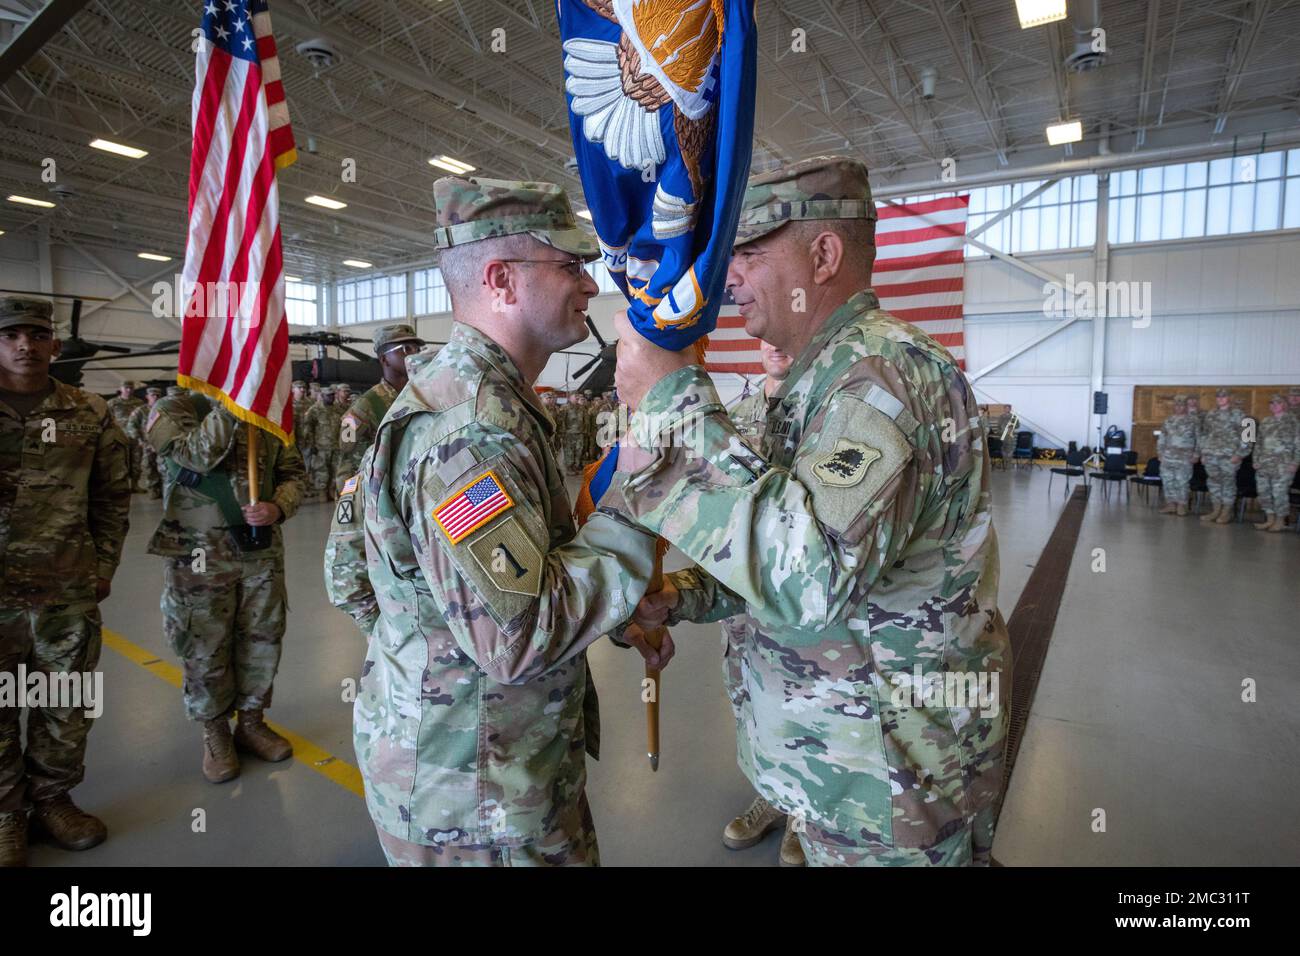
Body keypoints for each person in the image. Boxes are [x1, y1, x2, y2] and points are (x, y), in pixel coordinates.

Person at [615, 156, 1013, 867]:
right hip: (835, 765)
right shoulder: (815, 383)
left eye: (747, 252)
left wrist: (674, 402)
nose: (725, 275)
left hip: (889, 788)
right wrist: (678, 596)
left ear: (823, 254)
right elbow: (773, 543)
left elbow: (811, 579)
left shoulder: (882, 378)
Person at [353, 174, 667, 867]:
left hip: (482, 767)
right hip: (480, 803)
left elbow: (350, 570)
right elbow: (520, 638)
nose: (589, 286)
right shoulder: (473, 433)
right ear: (500, 280)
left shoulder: (467, 399)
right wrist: (637, 491)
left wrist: (425, 652)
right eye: (570, 266)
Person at [0, 297, 131, 866]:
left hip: (67, 590)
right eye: (11, 335)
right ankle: (6, 813)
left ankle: (53, 799)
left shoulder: (89, 410)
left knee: (65, 700)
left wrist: (103, 566)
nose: (25, 345)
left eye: (36, 334)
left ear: (54, 343)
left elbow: (111, 496)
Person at [146, 391, 306, 782]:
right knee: (204, 642)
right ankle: (214, 729)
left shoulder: (267, 410)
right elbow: (196, 456)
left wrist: (279, 506)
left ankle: (251, 722)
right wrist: (230, 405)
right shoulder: (169, 411)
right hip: (198, 553)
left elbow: (295, 473)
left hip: (258, 549)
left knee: (262, 637)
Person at [712, 340, 805, 865]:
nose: (775, 346)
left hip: (797, 597)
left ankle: (804, 811)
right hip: (739, 595)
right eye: (764, 338)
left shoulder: (824, 406)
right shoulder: (738, 416)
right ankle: (771, 792)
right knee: (745, 691)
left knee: (798, 696)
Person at [335, 324, 425, 491]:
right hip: (385, 489)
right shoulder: (367, 404)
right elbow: (346, 449)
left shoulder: (421, 394)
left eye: (417, 348)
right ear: (384, 359)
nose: (414, 353)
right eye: (406, 348)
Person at [1250, 393, 1300, 532]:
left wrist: (1295, 462)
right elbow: (1258, 443)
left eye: (1277, 403)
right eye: (1271, 403)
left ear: (1284, 404)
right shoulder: (1266, 421)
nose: (1274, 405)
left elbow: (1298, 444)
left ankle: (1280, 521)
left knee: (1279, 493)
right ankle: (1270, 519)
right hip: (1264, 464)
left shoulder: (1293, 422)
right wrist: (1256, 460)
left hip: (1283, 464)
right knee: (1264, 493)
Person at [1198, 388, 1248, 524]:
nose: (1220, 399)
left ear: (1230, 398)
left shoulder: (1240, 414)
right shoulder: (1211, 414)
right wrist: (1203, 452)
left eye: (1224, 396)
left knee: (1228, 483)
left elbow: (1248, 436)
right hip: (1211, 455)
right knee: (1213, 482)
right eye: (1218, 396)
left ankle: (1227, 511)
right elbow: (1204, 434)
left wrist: (1240, 454)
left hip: (1229, 456)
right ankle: (1216, 510)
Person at [1157, 394, 1198, 516]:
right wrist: (1160, 452)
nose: (1179, 408)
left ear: (1186, 406)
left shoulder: (1193, 421)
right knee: (1168, 479)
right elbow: (1162, 437)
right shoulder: (1168, 420)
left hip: (1185, 456)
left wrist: (1197, 454)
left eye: (1182, 405)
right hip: (1168, 455)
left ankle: (1182, 505)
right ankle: (1171, 504)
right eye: (1177, 405)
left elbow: (1199, 439)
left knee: (1182, 481)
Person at [305, 385, 344, 501]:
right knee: (321, 470)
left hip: (337, 446)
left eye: (332, 395)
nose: (331, 398)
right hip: (320, 446)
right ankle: (322, 491)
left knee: (336, 469)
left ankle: (332, 490)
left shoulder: (339, 409)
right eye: (328, 396)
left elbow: (346, 426)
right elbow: (308, 428)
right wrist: (311, 444)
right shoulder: (315, 410)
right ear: (322, 396)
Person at [127, 387, 164, 498]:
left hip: (162, 443)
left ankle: (163, 489)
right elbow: (131, 425)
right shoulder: (141, 410)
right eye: (153, 395)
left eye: (158, 395)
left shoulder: (164, 410)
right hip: (147, 444)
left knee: (163, 467)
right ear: (147, 397)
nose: (156, 397)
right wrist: (139, 440)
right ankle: (153, 488)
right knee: (149, 466)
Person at [107, 382, 144, 492]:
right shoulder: (112, 403)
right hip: (120, 437)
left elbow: (143, 419)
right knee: (120, 462)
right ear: (121, 389)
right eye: (126, 388)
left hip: (135, 437)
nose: (128, 390)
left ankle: (135, 485)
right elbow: (107, 419)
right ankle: (122, 486)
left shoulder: (139, 402)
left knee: (136, 461)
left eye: (131, 388)